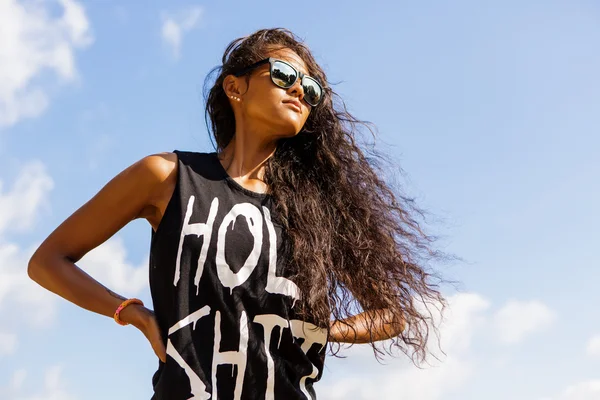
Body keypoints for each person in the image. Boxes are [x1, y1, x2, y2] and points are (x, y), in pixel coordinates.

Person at [27, 28, 447, 399]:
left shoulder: (316, 212)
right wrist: (132, 313)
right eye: (284, 74)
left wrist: (326, 330)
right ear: (235, 88)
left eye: (312, 88)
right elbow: (47, 261)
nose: (300, 90)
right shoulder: (168, 176)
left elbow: (391, 314)